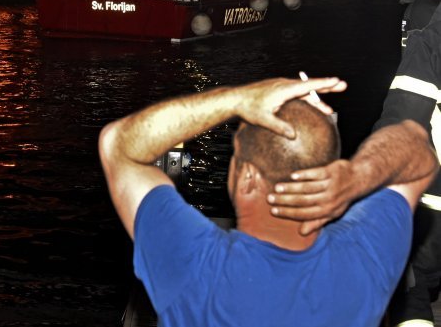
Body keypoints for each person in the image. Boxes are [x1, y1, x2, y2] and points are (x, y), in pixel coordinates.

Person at [99, 76, 436, 327]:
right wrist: (357, 174)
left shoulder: (196, 268)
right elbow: (418, 144)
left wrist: (236, 100)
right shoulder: (365, 258)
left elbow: (117, 145)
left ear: (247, 178)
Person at [270, 0, 441, 326]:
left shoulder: (425, 20)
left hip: (427, 163)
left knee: (411, 275)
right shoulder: (428, 20)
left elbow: (408, 107)